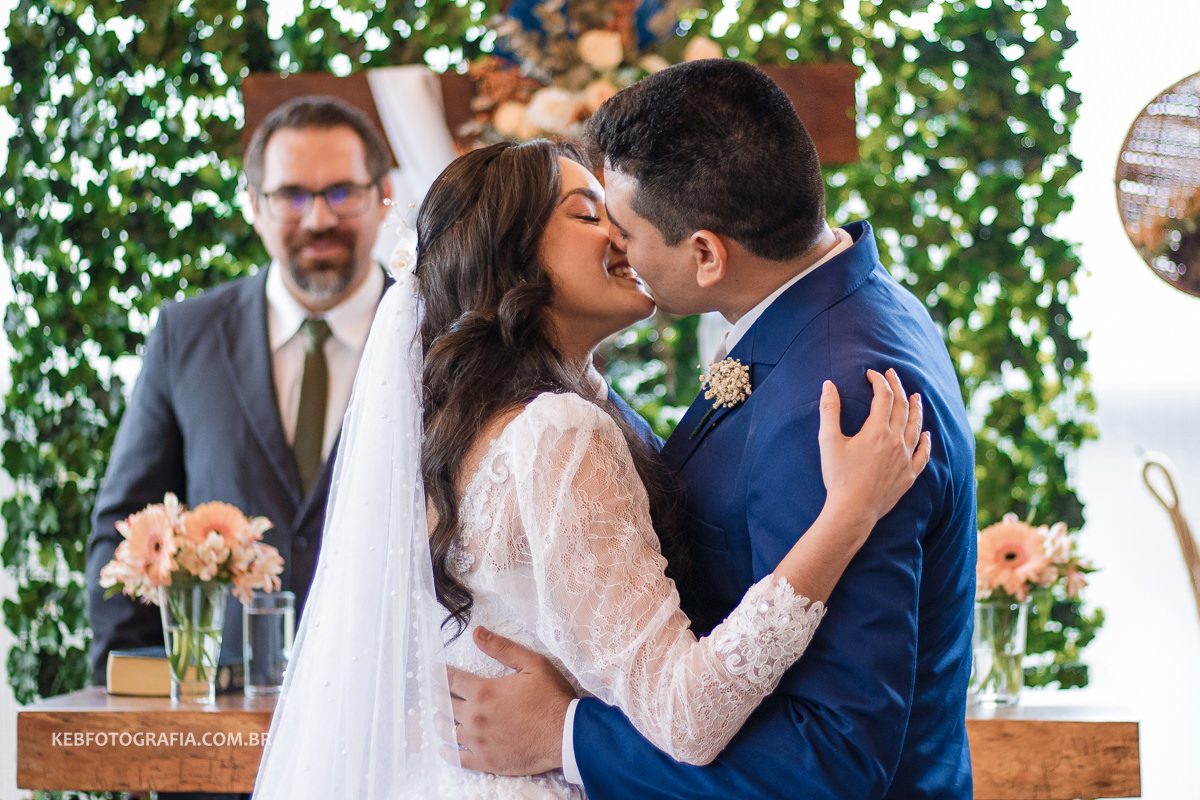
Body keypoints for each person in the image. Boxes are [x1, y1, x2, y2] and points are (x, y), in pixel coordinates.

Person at [253, 138, 930, 799]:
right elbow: (685, 714)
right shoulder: (557, 431)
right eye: (588, 214)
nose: (624, 236)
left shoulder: (468, 423)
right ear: (515, 261)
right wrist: (847, 516)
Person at [447, 60, 977, 799]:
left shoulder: (835, 402)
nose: (618, 247)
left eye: (623, 227)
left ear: (705, 253)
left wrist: (564, 737)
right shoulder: (842, 303)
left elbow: (833, 759)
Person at [86, 94, 393, 687]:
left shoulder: (443, 339)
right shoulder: (186, 334)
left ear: (382, 197)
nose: (319, 219)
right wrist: (126, 696)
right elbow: (127, 527)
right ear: (254, 205)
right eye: (292, 196)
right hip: (219, 720)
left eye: (341, 192)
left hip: (391, 726)